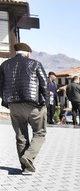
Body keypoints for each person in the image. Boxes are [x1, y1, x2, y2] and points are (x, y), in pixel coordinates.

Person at [0, 42, 47, 175]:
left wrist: (6, 102)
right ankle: (28, 157)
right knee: (40, 133)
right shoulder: (35, 63)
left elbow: (0, 86)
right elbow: (44, 85)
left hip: (14, 106)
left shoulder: (4, 65)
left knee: (21, 137)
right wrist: (45, 104)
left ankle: (25, 168)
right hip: (34, 105)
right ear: (27, 52)